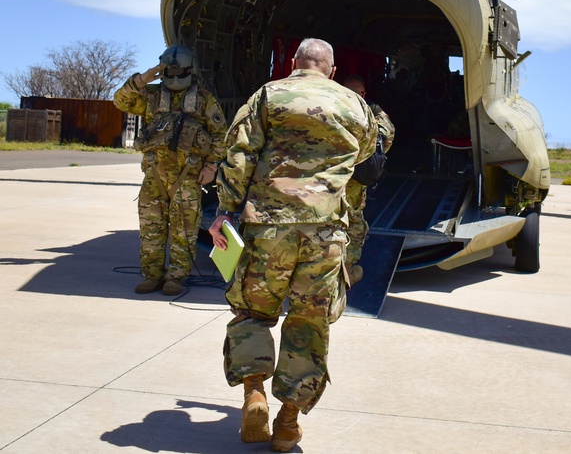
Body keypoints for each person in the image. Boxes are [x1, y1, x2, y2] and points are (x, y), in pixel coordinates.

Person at [209, 38, 376, 451]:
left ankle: (253, 393)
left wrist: (226, 211)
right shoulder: (355, 105)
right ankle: (287, 422)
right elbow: (365, 157)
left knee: (252, 310)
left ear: (292, 62)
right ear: (331, 70)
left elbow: (239, 155)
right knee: (308, 322)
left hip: (267, 227)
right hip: (325, 234)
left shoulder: (268, 95)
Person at [113, 44, 228, 296]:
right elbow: (120, 101)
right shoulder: (151, 96)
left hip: (187, 176)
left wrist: (211, 167)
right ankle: (152, 275)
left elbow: (222, 136)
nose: (175, 79)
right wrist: (142, 80)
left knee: (184, 230)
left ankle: (176, 277)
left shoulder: (203, 100)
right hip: (154, 175)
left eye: (180, 73)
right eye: (170, 72)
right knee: (151, 226)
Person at [338, 75, 395, 285]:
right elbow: (387, 136)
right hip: (352, 186)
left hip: (323, 186)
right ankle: (346, 272)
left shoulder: (327, 112)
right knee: (353, 225)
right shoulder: (368, 117)